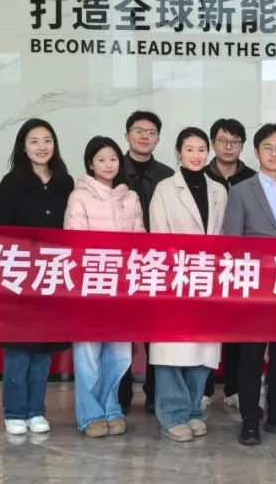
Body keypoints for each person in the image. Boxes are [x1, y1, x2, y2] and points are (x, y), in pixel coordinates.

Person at [222, 123, 276, 446]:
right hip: (254, 288)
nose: (274, 153)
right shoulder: (241, 191)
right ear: (256, 152)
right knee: (251, 356)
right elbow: (232, 244)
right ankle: (249, 419)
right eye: (267, 147)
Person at [0, 119, 73, 435]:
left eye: (47, 140)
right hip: (19, 278)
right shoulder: (10, 183)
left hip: (53, 276)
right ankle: (15, 411)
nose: (42, 147)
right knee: (18, 349)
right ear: (23, 147)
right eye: (35, 141)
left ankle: (36, 410)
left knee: (43, 349)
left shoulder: (65, 182)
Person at [147, 127, 227, 442]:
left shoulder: (219, 190)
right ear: (179, 152)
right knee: (173, 351)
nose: (196, 155)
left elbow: (224, 237)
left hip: (209, 280)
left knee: (202, 350)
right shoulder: (165, 189)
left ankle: (193, 410)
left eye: (201, 149)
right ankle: (172, 415)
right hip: (175, 279)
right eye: (189, 149)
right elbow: (158, 237)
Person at [65, 136, 144, 438]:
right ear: (90, 164)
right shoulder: (79, 197)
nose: (108, 165)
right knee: (88, 353)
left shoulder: (130, 197)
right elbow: (75, 242)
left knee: (120, 354)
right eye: (101, 159)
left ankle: (110, 407)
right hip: (90, 285)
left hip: (123, 287)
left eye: (113, 159)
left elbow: (140, 239)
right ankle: (89, 414)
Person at [119, 110, 174, 413]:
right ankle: (121, 393)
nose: (145, 136)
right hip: (120, 264)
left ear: (158, 139)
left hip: (158, 264)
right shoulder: (112, 168)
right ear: (127, 135)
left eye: (151, 132)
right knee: (121, 332)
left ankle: (156, 393)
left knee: (157, 332)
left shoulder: (168, 175)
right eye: (139, 131)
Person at [205, 117, 256, 413]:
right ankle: (205, 388)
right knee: (206, 327)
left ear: (243, 146)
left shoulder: (252, 179)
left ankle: (235, 388)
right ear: (213, 143)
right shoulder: (200, 175)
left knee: (239, 329)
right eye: (223, 141)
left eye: (235, 142)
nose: (228, 147)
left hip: (243, 265)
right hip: (208, 264)